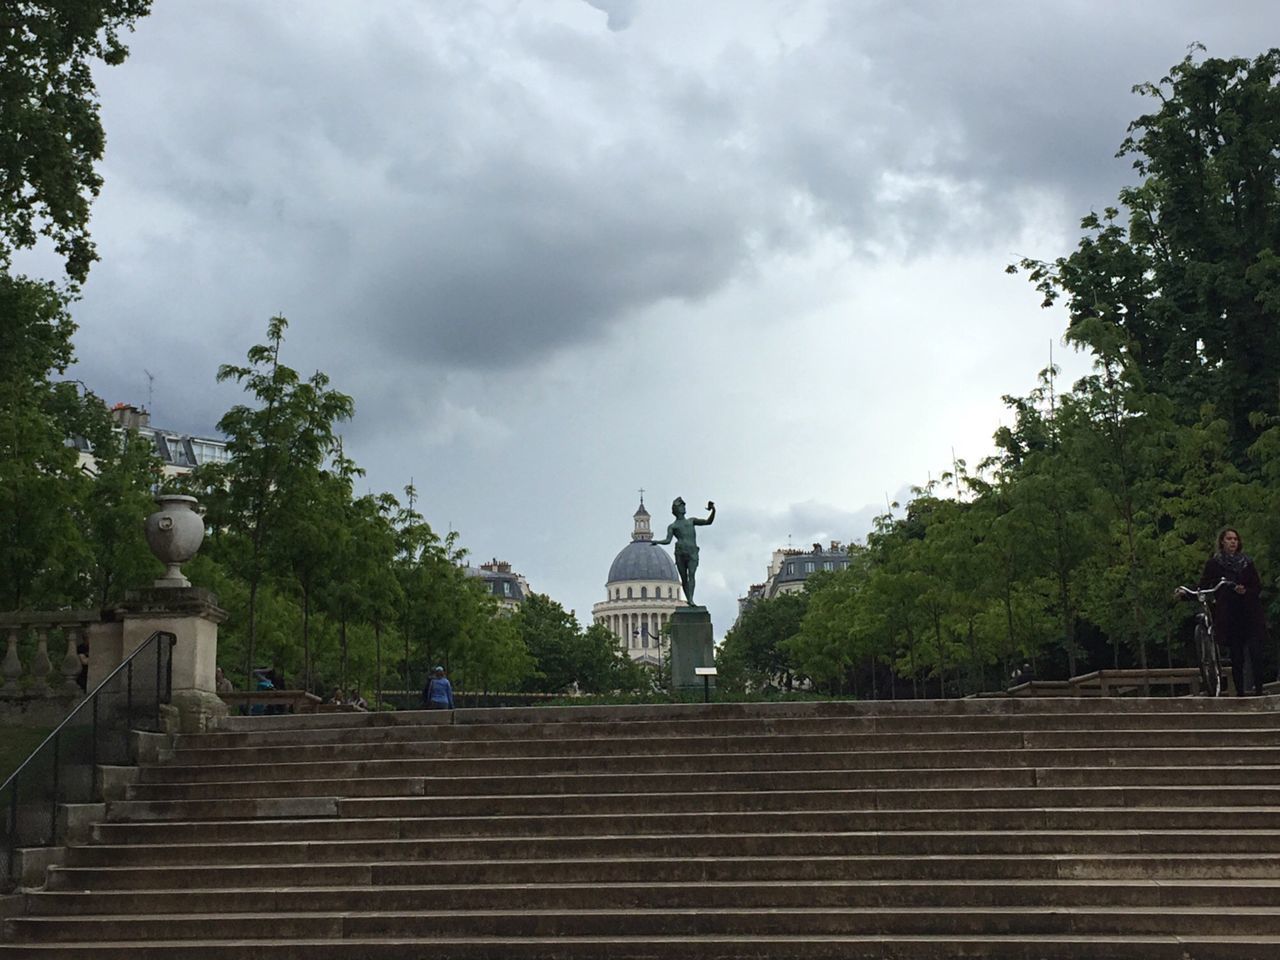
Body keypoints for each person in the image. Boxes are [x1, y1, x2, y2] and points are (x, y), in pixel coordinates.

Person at [1198, 527, 1268, 696]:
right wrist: (1186, 593)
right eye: (1229, 539)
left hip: (1249, 612)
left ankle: (1259, 690)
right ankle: (1240, 693)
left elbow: (1257, 586)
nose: (1233, 542)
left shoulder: (1247, 562)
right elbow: (1203, 586)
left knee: (1255, 653)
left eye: (1235, 539)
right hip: (1230, 614)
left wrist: (1246, 591)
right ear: (1222, 541)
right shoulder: (1214, 564)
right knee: (1236, 657)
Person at [650, 497, 715, 605]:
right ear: (676, 509)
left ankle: (690, 599)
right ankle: (689, 600)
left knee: (692, 575)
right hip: (680, 552)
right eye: (681, 506)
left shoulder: (691, 521)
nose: (684, 507)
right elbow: (668, 540)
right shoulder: (673, 526)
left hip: (692, 552)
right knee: (684, 578)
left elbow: (708, 522)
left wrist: (713, 510)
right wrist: (657, 542)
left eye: (684, 505)